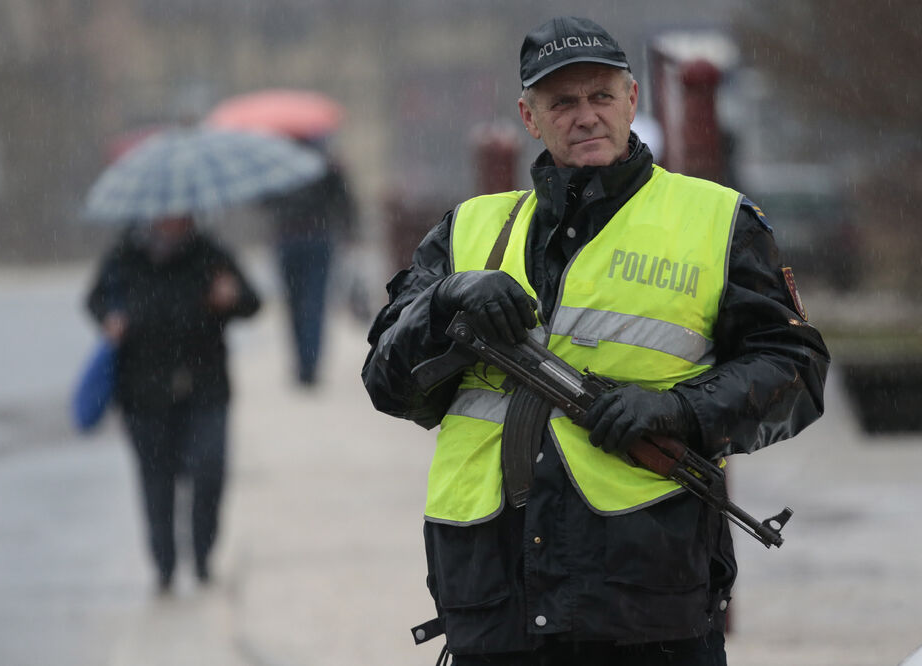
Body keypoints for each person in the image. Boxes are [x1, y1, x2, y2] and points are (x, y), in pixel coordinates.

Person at [361, 16, 829, 665]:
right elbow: (386, 382)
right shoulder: (468, 230)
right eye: (563, 102)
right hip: (496, 604)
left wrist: (680, 410)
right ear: (530, 116)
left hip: (646, 601)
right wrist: (444, 303)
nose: (585, 116)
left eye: (601, 96)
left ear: (631, 100)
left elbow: (796, 373)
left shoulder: (719, 223)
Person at [86, 215, 261, 592]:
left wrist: (232, 298)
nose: (173, 219)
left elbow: (252, 302)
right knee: (156, 481)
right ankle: (164, 566)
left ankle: (202, 556)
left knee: (209, 470)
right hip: (143, 391)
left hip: (206, 386)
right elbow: (94, 299)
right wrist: (110, 319)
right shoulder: (124, 254)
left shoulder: (211, 252)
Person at [262, 139, 357, 387]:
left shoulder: (280, 164)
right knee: (313, 303)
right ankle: (309, 364)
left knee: (296, 304)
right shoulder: (325, 164)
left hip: (290, 237)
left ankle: (304, 365)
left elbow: (265, 202)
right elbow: (343, 201)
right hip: (316, 237)